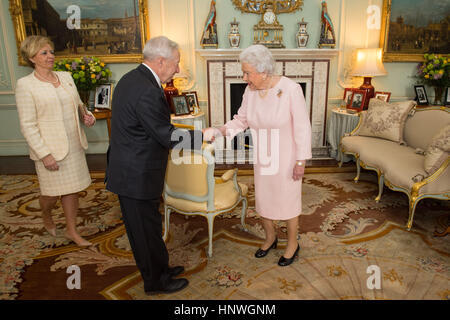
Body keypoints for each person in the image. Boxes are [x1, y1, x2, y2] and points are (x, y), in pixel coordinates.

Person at [105, 36, 202, 295]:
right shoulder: (147, 89)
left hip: (133, 168)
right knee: (145, 233)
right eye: (176, 63)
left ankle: (161, 269)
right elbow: (166, 135)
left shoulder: (133, 78)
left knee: (149, 225)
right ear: (160, 61)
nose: (178, 69)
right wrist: (204, 137)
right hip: (135, 175)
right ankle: (156, 283)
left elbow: (152, 127)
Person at [203, 45, 312, 267]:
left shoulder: (290, 90)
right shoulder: (250, 92)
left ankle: (292, 244)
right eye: (243, 73)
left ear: (263, 71)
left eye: (247, 73)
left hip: (287, 156)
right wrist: (219, 131)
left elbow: (302, 128)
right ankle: (270, 238)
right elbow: (240, 120)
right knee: (264, 199)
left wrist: (301, 160)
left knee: (288, 201)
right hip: (263, 156)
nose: (244, 78)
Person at [15, 35, 96, 247]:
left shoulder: (66, 76)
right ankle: (46, 212)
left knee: (72, 189)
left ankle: (71, 230)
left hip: (74, 145)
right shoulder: (25, 85)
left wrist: (87, 116)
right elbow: (28, 125)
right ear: (32, 58)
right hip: (49, 149)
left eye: (51, 52)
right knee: (51, 194)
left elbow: (79, 105)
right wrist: (45, 154)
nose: (50, 56)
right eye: (44, 53)